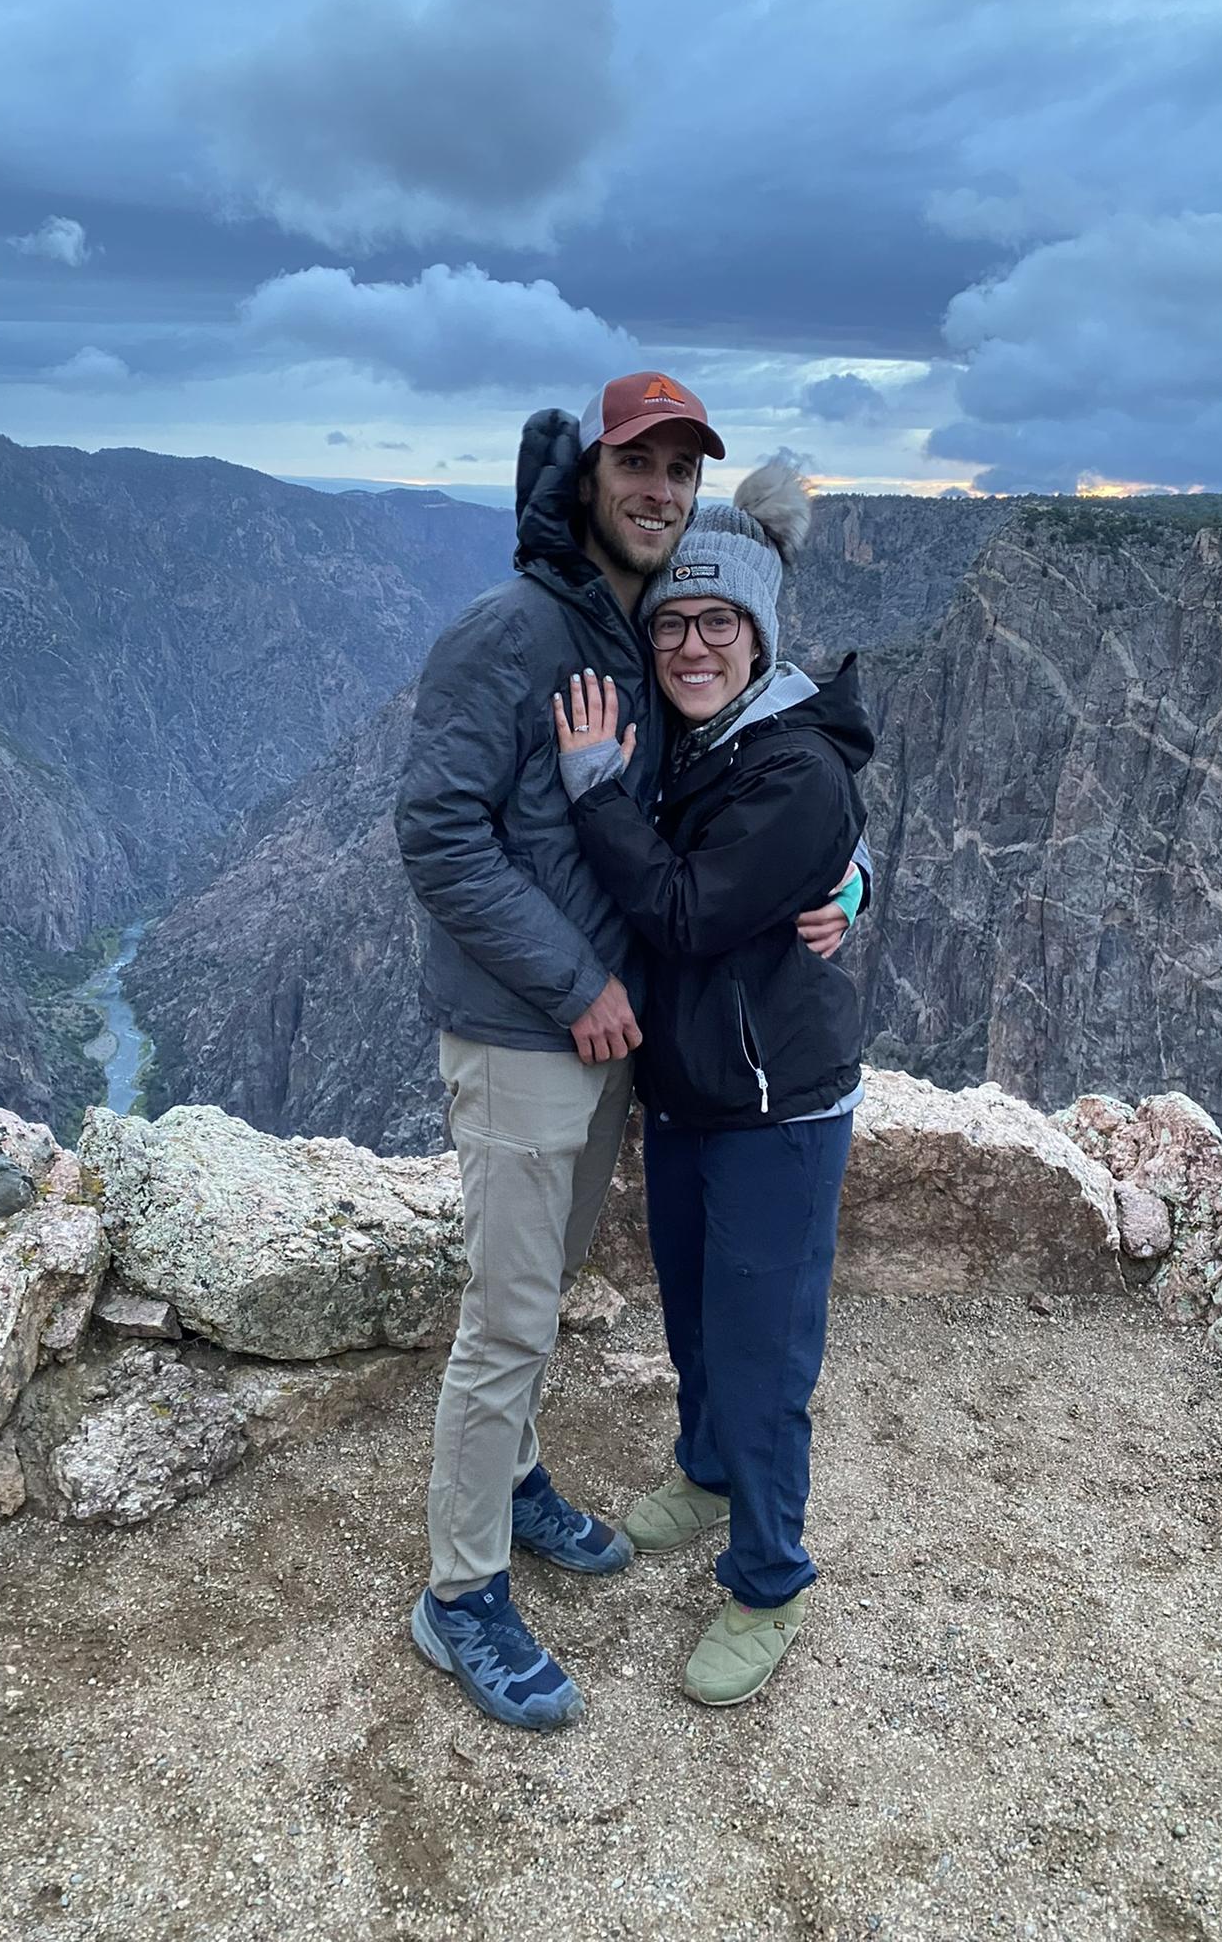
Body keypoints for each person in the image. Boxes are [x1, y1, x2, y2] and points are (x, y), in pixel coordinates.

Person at [394, 376, 857, 1731]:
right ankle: (461, 1592)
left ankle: (517, 1481)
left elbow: (763, 772)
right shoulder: (511, 630)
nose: (658, 487)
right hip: (528, 1031)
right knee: (507, 1316)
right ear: (587, 475)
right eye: (636, 464)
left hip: (615, 1038)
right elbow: (437, 836)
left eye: (680, 468)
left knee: (535, 1298)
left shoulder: (642, 628)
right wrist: (577, 977)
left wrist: (855, 876)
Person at [553, 457, 874, 1707]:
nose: (692, 643)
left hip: (777, 1110)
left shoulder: (792, 767)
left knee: (763, 1351)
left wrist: (591, 789)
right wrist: (853, 881)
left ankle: (769, 1574)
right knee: (694, 1315)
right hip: (694, 1093)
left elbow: (686, 910)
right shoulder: (702, 743)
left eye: (718, 621)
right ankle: (704, 1467)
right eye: (676, 619)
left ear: (759, 633)